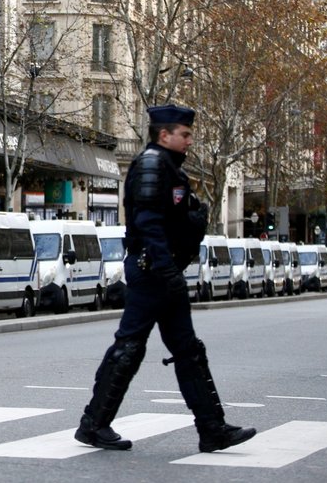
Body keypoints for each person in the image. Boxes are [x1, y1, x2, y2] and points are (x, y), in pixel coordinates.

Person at [74, 104, 256, 453]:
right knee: (130, 348)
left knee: (186, 350)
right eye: (185, 134)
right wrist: (166, 268)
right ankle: (94, 425)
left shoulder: (167, 167)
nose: (190, 140)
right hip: (152, 272)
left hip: (161, 270)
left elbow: (170, 220)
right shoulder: (152, 165)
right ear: (164, 134)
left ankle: (211, 429)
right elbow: (149, 224)